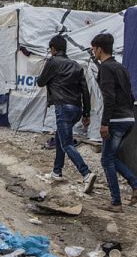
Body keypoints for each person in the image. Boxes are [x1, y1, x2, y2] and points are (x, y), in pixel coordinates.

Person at [91, 33, 137, 212]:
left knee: (107, 159)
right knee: (111, 157)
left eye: (94, 49)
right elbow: (130, 95)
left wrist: (105, 122)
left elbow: (109, 97)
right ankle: (136, 186)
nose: (93, 53)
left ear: (99, 49)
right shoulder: (122, 68)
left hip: (115, 120)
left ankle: (116, 202)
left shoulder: (106, 68)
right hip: (128, 118)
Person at [37, 35, 97, 193]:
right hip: (76, 108)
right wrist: (86, 113)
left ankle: (86, 173)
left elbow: (40, 82)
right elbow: (85, 90)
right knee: (60, 137)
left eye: (50, 50)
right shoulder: (76, 65)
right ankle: (57, 171)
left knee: (66, 143)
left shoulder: (53, 62)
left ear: (53, 49)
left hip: (62, 107)